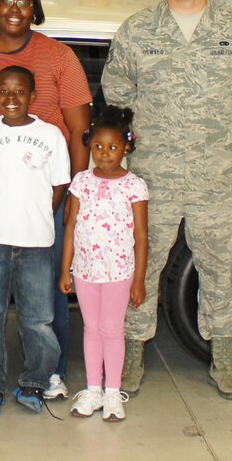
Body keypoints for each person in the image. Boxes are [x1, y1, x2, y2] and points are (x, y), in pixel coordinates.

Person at [102, 0, 232, 400]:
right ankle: (133, 355)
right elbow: (118, 93)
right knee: (142, 264)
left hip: (215, 174)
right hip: (154, 174)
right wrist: (148, 139)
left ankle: (224, 358)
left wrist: (219, 132)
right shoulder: (138, 30)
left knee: (219, 264)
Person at [0, 0, 91, 399]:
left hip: (44, 195)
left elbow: (79, 128)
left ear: (36, 9)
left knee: (46, 300)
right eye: (6, 0)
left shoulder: (58, 56)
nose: (15, 9)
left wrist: (70, 199)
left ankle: (48, 373)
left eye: (25, 2)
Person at [0, 66, 69, 417]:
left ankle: (35, 382)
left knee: (38, 317)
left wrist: (38, 214)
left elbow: (59, 185)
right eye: (4, 92)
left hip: (37, 242)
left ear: (33, 96)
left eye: (19, 91)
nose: (12, 98)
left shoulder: (51, 135)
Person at [59, 105, 149, 424]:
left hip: (118, 272)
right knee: (91, 329)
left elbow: (141, 235)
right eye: (97, 146)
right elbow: (70, 226)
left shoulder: (134, 185)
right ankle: (93, 389)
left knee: (112, 330)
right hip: (85, 270)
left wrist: (138, 279)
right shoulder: (81, 182)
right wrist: (65, 269)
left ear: (126, 147)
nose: (104, 154)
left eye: (112, 147)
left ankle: (113, 391)